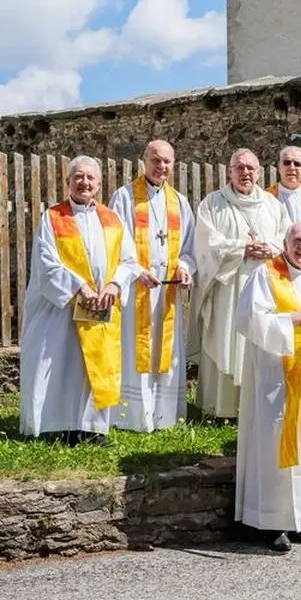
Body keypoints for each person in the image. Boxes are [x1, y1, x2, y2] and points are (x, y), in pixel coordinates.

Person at [20, 156, 139, 444]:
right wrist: (78, 288)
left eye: (90, 178)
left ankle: (90, 428)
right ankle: (54, 425)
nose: (84, 182)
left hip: (100, 307)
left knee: (92, 369)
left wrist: (114, 284)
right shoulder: (53, 217)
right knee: (60, 364)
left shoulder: (113, 218)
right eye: (78, 177)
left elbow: (130, 260)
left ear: (98, 185)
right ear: (68, 182)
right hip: (60, 311)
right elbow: (47, 264)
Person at [234, 222, 301, 552]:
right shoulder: (265, 275)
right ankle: (273, 523)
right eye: (298, 241)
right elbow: (250, 320)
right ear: (285, 242)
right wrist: (296, 317)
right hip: (276, 379)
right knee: (276, 443)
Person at [194, 148, 290, 418]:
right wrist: (242, 249)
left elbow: (286, 240)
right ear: (229, 171)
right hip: (228, 286)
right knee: (228, 337)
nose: (245, 172)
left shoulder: (274, 206)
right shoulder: (212, 204)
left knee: (257, 339)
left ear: (259, 173)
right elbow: (206, 244)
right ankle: (221, 408)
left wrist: (269, 249)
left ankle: (255, 405)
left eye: (251, 168)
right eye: (240, 167)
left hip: (264, 287)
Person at [108, 139, 195, 433]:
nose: (162, 166)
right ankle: (132, 415)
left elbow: (189, 248)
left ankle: (165, 415)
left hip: (168, 291)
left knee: (166, 351)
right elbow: (116, 242)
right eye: (156, 160)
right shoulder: (124, 197)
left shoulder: (179, 202)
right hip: (137, 290)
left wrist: (184, 268)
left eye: (167, 161)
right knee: (137, 347)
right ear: (143, 160)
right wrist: (136, 270)